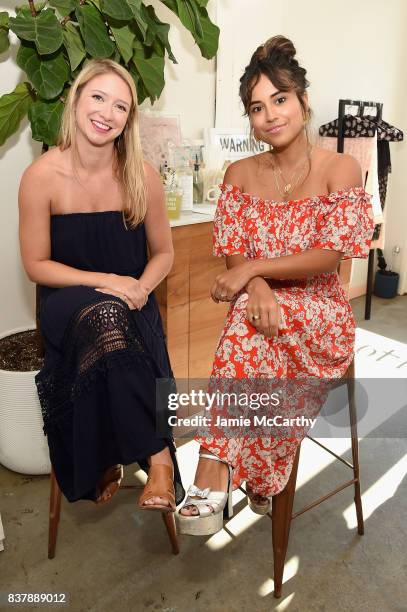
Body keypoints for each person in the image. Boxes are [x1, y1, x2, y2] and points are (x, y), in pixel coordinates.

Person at [177, 35, 374, 535]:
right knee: (252, 329)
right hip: (261, 307)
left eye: (280, 100)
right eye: (257, 107)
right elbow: (234, 246)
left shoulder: (341, 167)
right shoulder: (239, 173)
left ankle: (217, 467)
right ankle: (252, 476)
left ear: (304, 101)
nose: (270, 116)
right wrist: (256, 283)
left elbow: (332, 254)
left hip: (320, 309)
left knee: (246, 334)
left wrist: (250, 273)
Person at [19, 59, 184, 511]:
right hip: (67, 303)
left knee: (115, 320)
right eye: (98, 97)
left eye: (121, 107)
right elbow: (36, 265)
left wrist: (140, 288)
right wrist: (109, 281)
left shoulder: (141, 175)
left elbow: (164, 254)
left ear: (128, 120)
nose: (106, 113)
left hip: (133, 302)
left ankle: (106, 456)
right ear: (76, 99)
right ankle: (159, 457)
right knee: (105, 316)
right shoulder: (41, 177)